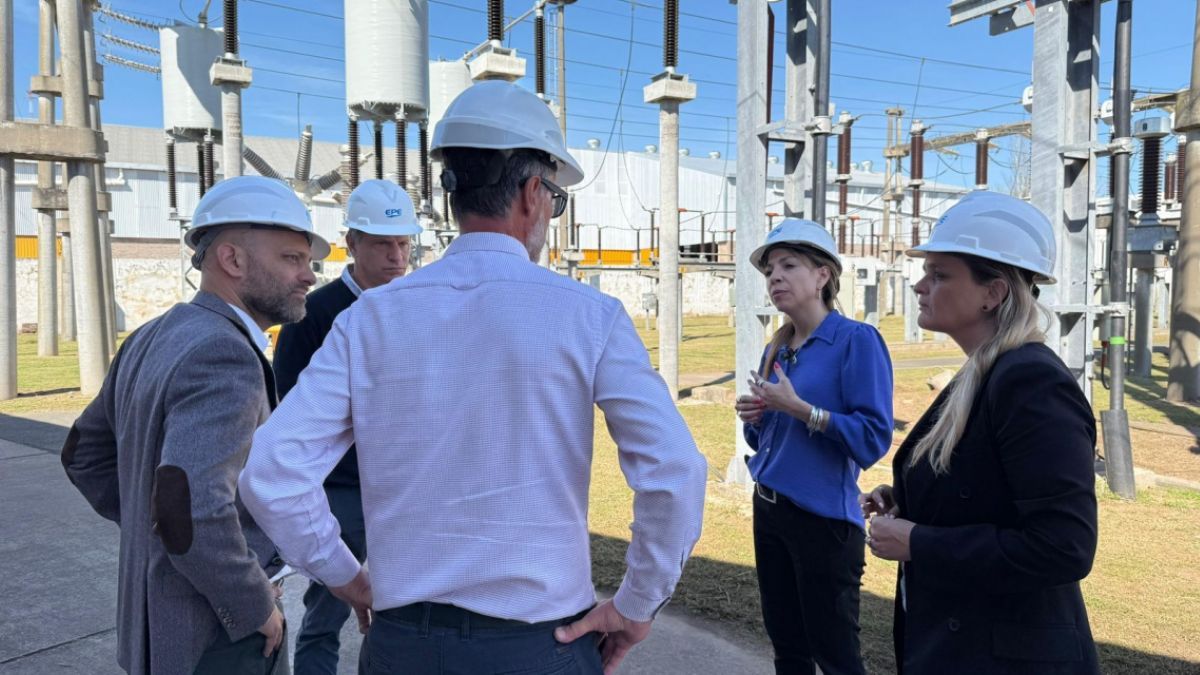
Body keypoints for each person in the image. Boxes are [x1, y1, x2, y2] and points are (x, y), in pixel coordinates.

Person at [239, 80, 708, 675]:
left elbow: (273, 472)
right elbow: (675, 470)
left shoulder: (369, 319)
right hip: (541, 647)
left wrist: (346, 576)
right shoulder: (589, 316)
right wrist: (637, 604)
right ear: (534, 194)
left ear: (454, 192)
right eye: (556, 201)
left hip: (402, 645)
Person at [60, 175, 331, 674]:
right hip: (215, 637)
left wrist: (156, 530)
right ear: (232, 260)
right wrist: (253, 604)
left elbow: (82, 454)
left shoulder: (150, 334)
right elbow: (192, 505)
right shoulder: (224, 352)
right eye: (292, 258)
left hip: (156, 627)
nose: (309, 275)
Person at [862, 191, 1099, 674]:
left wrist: (919, 542)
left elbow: (1063, 546)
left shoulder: (1031, 380)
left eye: (940, 274)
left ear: (994, 292)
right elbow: (986, 491)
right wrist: (912, 501)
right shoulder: (983, 372)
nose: (920, 286)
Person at [272, 178, 422, 675]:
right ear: (352, 243)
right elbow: (290, 406)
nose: (396, 256)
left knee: (404, 610)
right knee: (328, 611)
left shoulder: (419, 305)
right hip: (342, 492)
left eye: (403, 243)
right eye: (382, 243)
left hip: (404, 488)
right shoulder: (314, 312)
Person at [734, 218, 893, 675]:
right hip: (770, 511)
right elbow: (763, 443)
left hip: (822, 523)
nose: (775, 278)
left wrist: (803, 410)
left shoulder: (856, 341)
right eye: (768, 272)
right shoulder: (778, 347)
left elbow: (873, 437)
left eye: (789, 266)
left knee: (836, 656)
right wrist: (758, 418)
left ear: (823, 275)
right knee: (787, 647)